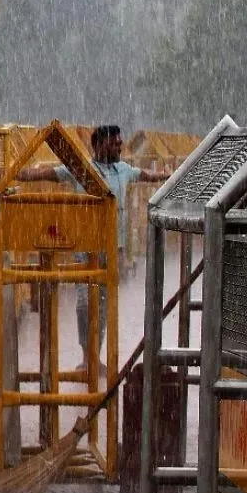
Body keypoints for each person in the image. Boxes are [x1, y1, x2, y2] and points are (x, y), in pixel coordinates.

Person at [17, 125, 170, 364]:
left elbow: (146, 176)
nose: (119, 146)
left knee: (103, 306)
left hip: (113, 249)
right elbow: (47, 174)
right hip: (85, 250)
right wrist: (17, 173)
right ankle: (86, 353)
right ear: (98, 145)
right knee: (83, 303)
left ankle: (94, 357)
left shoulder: (124, 170)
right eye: (114, 143)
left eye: (120, 142)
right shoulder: (82, 169)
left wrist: (165, 176)